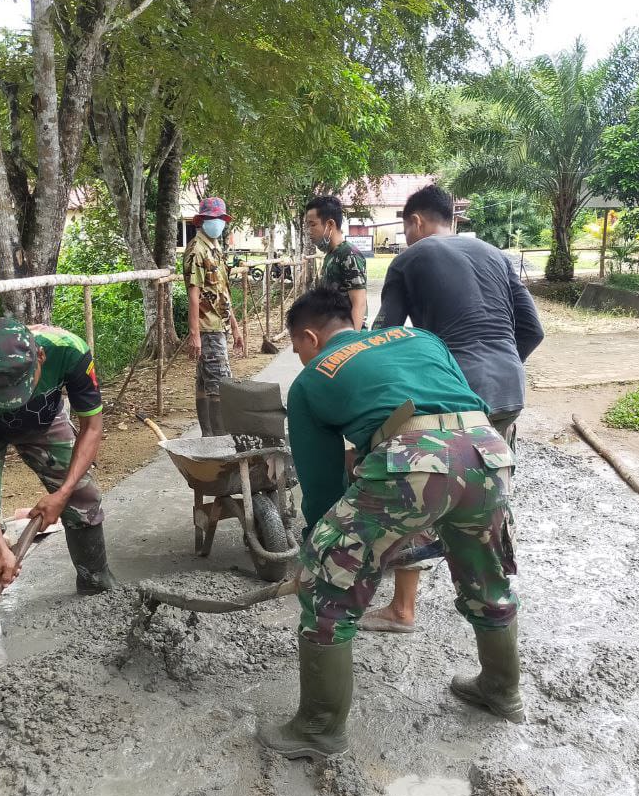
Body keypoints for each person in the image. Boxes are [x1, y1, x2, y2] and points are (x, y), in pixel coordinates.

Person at [257, 285, 522, 760]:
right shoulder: (421, 339)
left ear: (311, 338)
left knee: (327, 589)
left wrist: (319, 553)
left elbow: (319, 487)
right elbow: (446, 402)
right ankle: (502, 691)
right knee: (486, 574)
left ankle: (318, 728)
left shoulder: (313, 378)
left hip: (414, 460)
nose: (298, 356)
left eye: (295, 346)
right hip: (488, 452)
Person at [364, 184, 544, 633]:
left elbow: (385, 335)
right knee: (485, 493)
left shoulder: (410, 258)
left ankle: (403, 609)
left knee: (423, 487)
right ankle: (493, 602)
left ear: (416, 222)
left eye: (407, 229)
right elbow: (533, 330)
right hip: (508, 390)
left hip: (456, 395)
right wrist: (501, 368)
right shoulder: (498, 255)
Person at [0, 317, 118, 675]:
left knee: (84, 498)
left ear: (40, 357)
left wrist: (62, 493)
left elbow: (92, 427)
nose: (11, 400)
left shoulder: (69, 351)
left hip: (44, 420)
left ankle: (95, 579)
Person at [183, 196, 244, 435]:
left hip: (219, 325)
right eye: (212, 218)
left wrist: (235, 326)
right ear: (202, 221)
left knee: (206, 381)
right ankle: (219, 439)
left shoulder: (215, 248)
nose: (216, 222)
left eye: (220, 218)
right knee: (220, 384)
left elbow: (222, 293)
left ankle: (209, 436)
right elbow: (194, 295)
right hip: (207, 329)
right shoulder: (197, 250)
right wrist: (194, 334)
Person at [303, 195, 368, 328]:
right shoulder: (331, 254)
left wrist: (350, 342)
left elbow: (359, 303)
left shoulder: (349, 254)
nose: (309, 232)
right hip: (333, 334)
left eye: (313, 225)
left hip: (347, 338)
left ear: (330, 224)